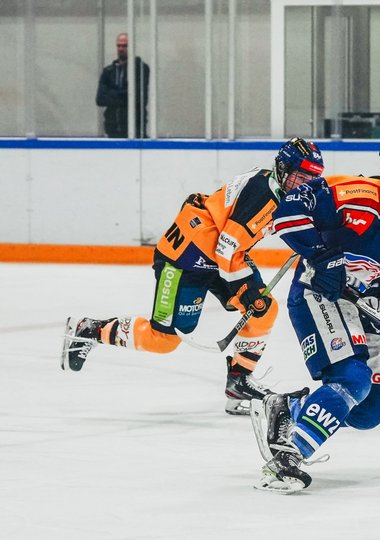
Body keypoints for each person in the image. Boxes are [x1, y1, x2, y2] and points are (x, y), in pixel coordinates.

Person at [61, 138, 327, 415]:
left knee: (264, 309)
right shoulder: (264, 196)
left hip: (217, 254)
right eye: (301, 176)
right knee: (162, 340)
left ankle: (239, 383)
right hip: (185, 258)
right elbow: (228, 246)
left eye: (312, 177)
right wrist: (243, 289)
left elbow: (230, 242)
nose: (305, 184)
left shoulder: (275, 185)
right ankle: (88, 329)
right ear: (284, 168)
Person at [248, 135, 380, 493]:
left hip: (367, 308)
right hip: (319, 293)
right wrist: (321, 256)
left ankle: (291, 409)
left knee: (370, 410)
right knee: (352, 378)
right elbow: (288, 213)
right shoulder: (353, 193)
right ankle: (289, 454)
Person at [96, 33, 150, 138]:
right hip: (112, 129)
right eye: (119, 45)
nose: (121, 49)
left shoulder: (140, 69)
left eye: (125, 46)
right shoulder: (108, 71)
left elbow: (138, 98)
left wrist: (111, 93)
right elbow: (100, 99)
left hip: (135, 130)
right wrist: (124, 94)